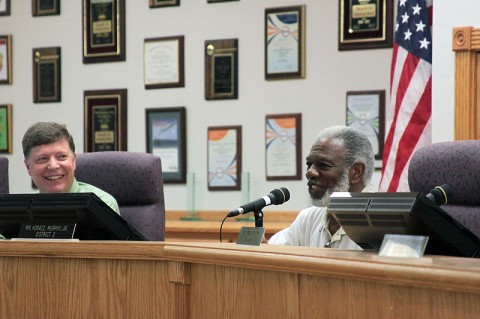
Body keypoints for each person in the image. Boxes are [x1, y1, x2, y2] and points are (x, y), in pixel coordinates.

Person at [268, 125, 375, 249]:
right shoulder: (309, 218)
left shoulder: (380, 224)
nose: (310, 172)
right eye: (309, 164)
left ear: (356, 172)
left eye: (323, 165)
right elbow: (271, 252)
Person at [22, 122, 120, 214]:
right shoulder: (21, 210)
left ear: (74, 161)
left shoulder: (101, 206)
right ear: (28, 167)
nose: (53, 166)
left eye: (61, 157)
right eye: (43, 159)